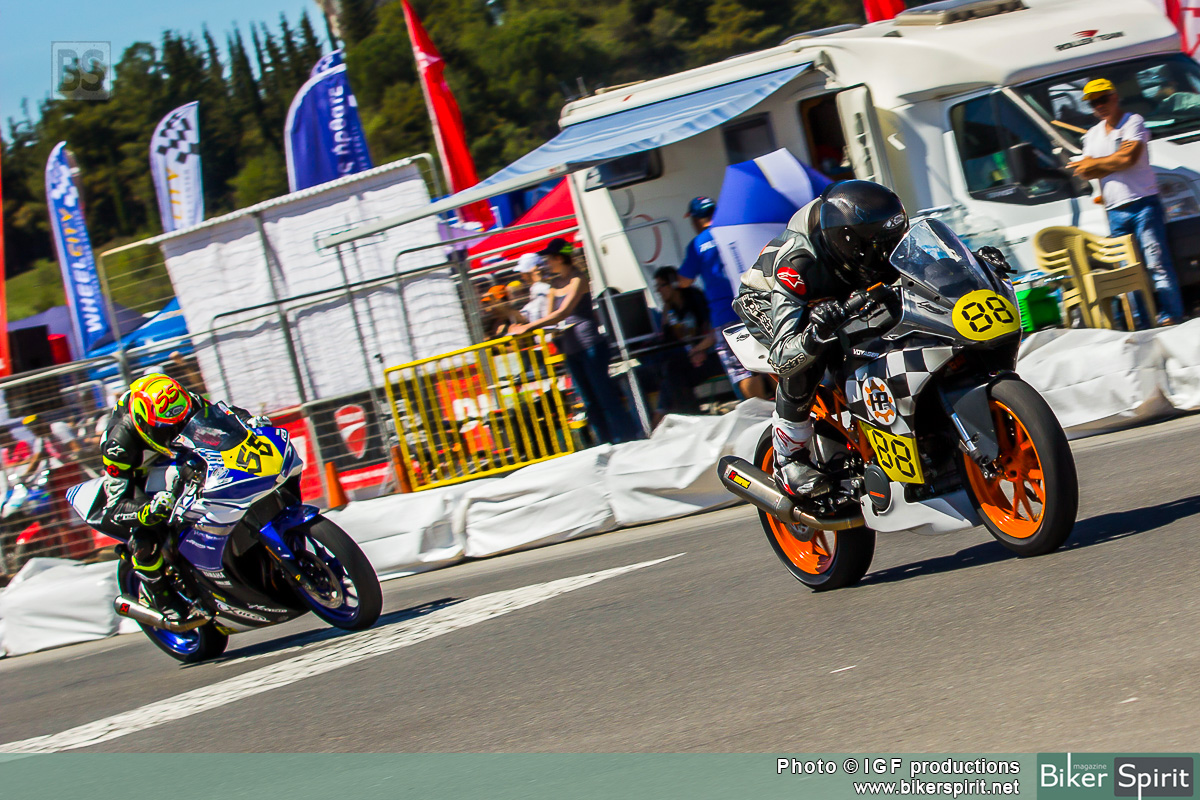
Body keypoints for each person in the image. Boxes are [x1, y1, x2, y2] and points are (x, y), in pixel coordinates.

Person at [733, 180, 909, 499]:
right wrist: (814, 334)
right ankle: (790, 460)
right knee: (808, 357)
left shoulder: (873, 234)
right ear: (847, 240)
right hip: (768, 298)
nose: (883, 252)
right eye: (875, 245)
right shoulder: (798, 262)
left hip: (837, 294)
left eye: (890, 241)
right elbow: (783, 354)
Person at [95, 374, 268, 616]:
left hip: (179, 450)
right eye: (168, 427)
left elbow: (224, 415)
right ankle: (161, 595)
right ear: (146, 424)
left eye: (181, 421)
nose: (175, 430)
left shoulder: (182, 401)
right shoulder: (118, 446)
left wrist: (248, 420)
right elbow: (114, 507)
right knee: (146, 535)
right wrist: (148, 510)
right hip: (138, 471)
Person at [1067, 78, 1186, 325]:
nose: (1099, 106)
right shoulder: (1092, 135)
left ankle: (1171, 315)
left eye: (1102, 99)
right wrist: (1111, 161)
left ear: (1114, 96)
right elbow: (1087, 172)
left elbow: (1128, 159)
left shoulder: (1133, 121)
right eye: (1093, 103)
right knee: (1127, 271)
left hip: (1144, 203)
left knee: (1156, 263)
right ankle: (1142, 322)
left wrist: (1097, 163)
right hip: (1115, 210)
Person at [510, 238, 640, 444]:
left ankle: (628, 438)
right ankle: (605, 443)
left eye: (549, 258)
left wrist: (528, 327)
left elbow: (564, 312)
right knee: (589, 402)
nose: (546, 263)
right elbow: (549, 317)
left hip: (590, 346)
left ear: (560, 258)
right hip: (571, 350)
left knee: (605, 396)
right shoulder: (553, 285)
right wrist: (522, 325)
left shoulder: (578, 279)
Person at [677, 196, 771, 400]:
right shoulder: (734, 232)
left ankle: (762, 413)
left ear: (695, 220)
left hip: (726, 314)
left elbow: (684, 281)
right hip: (757, 305)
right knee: (773, 356)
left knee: (743, 367)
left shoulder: (698, 244)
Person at [645, 266, 715, 421]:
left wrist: (700, 350)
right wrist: (666, 314)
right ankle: (687, 415)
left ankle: (669, 415)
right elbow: (668, 340)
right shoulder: (670, 309)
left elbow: (709, 330)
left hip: (708, 354)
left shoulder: (695, 298)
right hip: (689, 357)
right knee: (668, 372)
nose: (658, 291)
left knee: (671, 372)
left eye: (661, 286)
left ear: (673, 284)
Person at [516, 252, 551, 324]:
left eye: (523, 273)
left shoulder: (540, 288)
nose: (522, 276)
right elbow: (525, 315)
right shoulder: (536, 289)